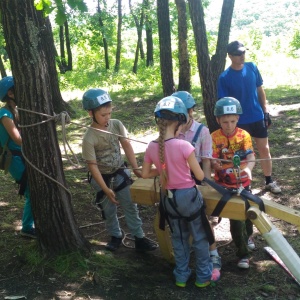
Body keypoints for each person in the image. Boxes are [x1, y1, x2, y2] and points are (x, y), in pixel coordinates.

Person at [142, 96, 216, 288]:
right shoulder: (185, 146)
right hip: (188, 197)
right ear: (179, 122)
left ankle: (181, 276)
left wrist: (164, 169)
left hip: (168, 199)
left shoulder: (152, 146)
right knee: (199, 237)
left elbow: (144, 173)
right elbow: (199, 175)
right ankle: (203, 277)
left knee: (179, 238)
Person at [81, 88, 157, 252]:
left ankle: (139, 237)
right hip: (101, 178)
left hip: (120, 173)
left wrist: (136, 168)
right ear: (90, 113)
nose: (107, 117)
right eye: (103, 115)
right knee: (108, 209)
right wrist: (105, 189)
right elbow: (92, 166)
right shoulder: (89, 138)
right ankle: (115, 235)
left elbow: (127, 145)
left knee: (130, 204)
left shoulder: (116, 125)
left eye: (109, 113)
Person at [217, 40, 281, 194]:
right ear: (230, 56)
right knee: (240, 155)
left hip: (257, 116)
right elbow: (224, 104)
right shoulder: (224, 77)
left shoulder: (252, 67)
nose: (242, 56)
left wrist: (265, 111)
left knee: (264, 149)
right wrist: (228, 124)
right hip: (239, 122)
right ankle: (243, 184)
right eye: (238, 54)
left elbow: (260, 90)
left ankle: (269, 181)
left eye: (243, 52)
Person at [172, 91, 221, 279]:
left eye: (187, 112)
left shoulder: (202, 131)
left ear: (191, 111)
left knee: (202, 220)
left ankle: (213, 253)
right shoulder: (171, 131)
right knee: (178, 220)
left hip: (196, 178)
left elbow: (206, 161)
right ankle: (184, 255)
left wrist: (206, 184)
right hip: (177, 181)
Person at [211, 97, 256, 269]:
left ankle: (249, 236)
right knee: (235, 219)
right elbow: (212, 159)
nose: (229, 125)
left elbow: (251, 156)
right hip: (224, 185)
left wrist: (249, 169)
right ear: (218, 120)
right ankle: (243, 254)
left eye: (232, 121)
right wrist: (215, 165)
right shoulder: (214, 137)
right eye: (224, 121)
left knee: (247, 213)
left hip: (243, 183)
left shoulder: (244, 135)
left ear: (237, 118)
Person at [0, 76, 35, 238]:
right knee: (31, 190)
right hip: (14, 159)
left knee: (32, 188)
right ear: (10, 93)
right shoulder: (4, 114)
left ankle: (30, 224)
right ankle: (27, 228)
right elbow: (17, 139)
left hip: (21, 155)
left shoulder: (16, 110)